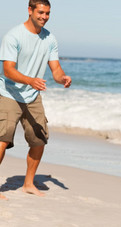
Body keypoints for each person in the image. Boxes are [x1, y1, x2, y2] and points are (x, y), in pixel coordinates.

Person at [0, 0, 71, 200]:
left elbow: (55, 69)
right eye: (41, 12)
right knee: (2, 139)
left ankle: (28, 184)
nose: (44, 17)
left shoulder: (49, 39)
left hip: (33, 96)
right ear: (30, 10)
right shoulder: (14, 36)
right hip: (9, 94)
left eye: (47, 13)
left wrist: (62, 78)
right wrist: (30, 80)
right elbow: (8, 70)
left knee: (39, 139)